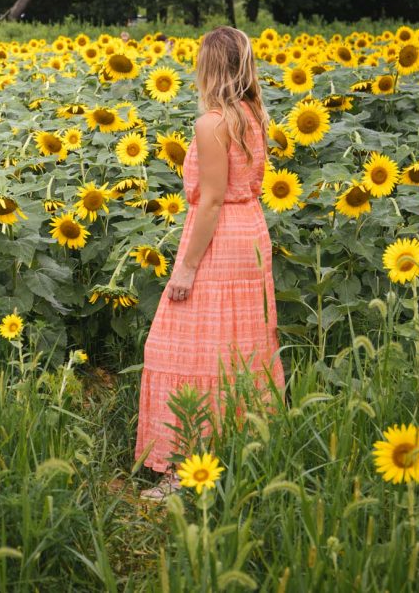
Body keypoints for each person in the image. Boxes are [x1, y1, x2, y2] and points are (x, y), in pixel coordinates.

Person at [135, 26, 286, 500]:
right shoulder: (252, 114)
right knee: (238, 349)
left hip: (218, 239)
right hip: (251, 235)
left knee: (182, 348)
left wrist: (185, 266)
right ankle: (241, 451)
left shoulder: (212, 123)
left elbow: (213, 200)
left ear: (212, 67)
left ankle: (183, 470)